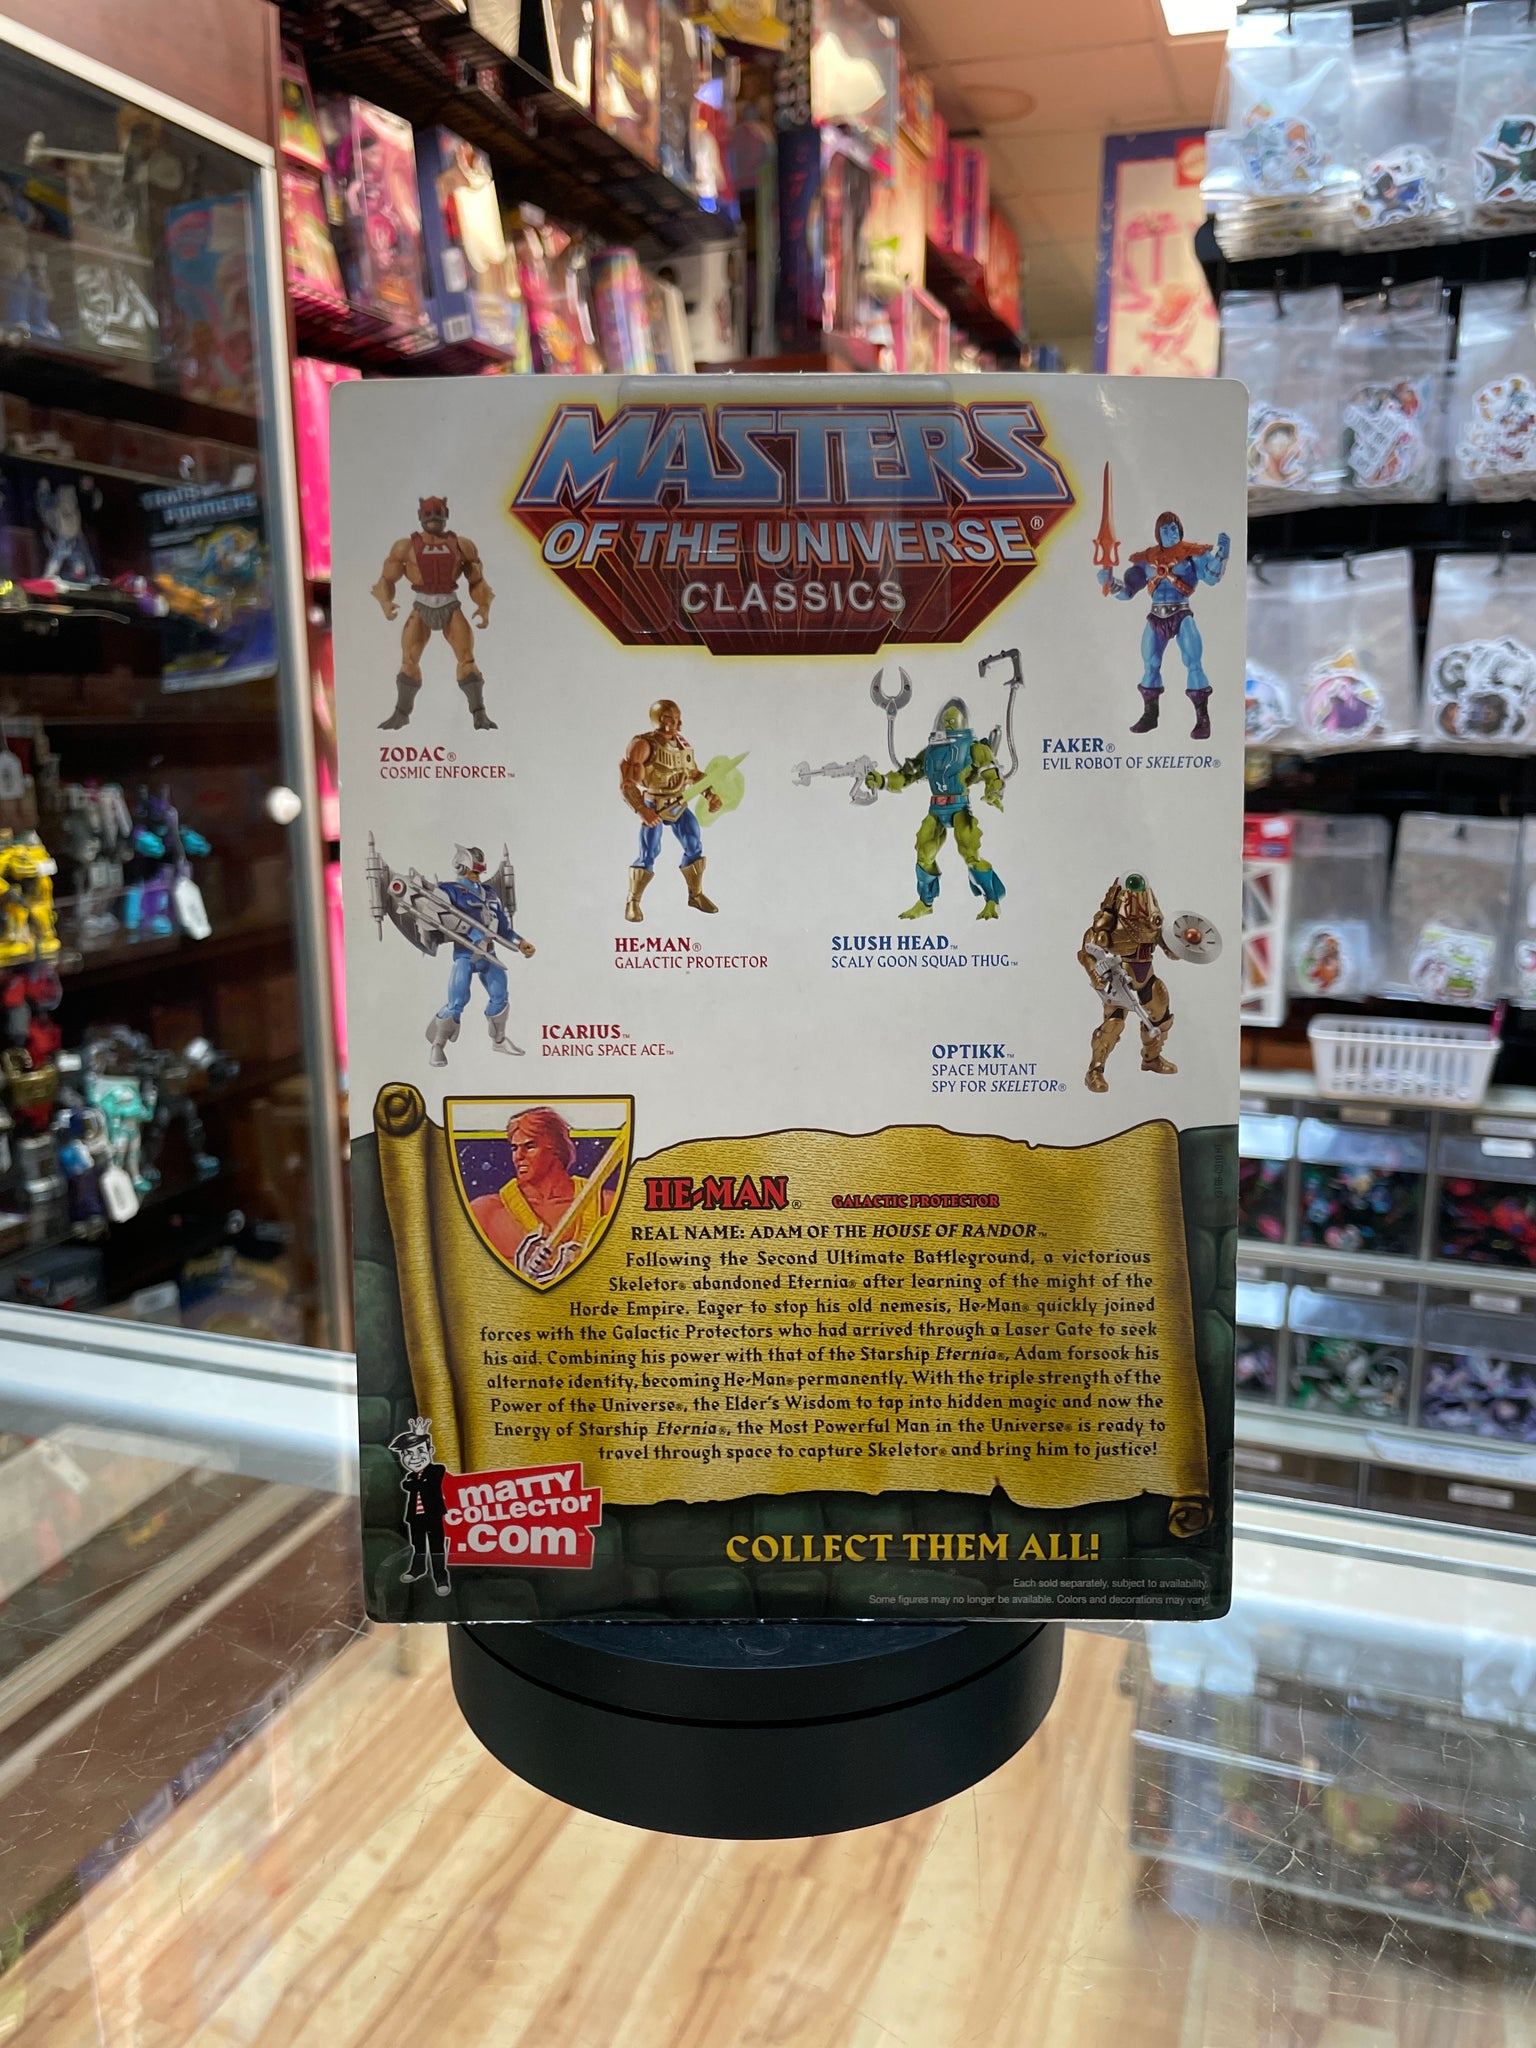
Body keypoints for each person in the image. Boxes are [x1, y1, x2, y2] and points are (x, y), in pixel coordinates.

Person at [864, 698, 1005, 920]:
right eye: (945, 720)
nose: (947, 724)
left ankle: (992, 900)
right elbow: (906, 776)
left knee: (970, 853)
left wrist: (993, 792)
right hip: (936, 809)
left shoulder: (974, 748)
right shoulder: (931, 751)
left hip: (959, 807)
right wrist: (881, 780)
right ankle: (925, 903)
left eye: (952, 720)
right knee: (924, 852)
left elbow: (991, 773)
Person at [1098, 510, 1229, 739]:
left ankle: (1202, 719)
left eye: (1174, 528)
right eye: (1166, 529)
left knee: (1193, 663)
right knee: (1151, 664)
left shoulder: (1192, 554)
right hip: (1156, 615)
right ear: (1158, 533)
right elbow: (1128, 592)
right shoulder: (1147, 559)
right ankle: (1150, 716)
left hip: (1182, 613)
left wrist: (1221, 556)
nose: (1171, 533)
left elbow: (1211, 578)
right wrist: (1110, 582)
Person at [372, 494, 496, 731]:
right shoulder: (405, 547)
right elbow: (386, 579)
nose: (433, 517)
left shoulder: (462, 545)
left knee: (467, 659)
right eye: (428, 513)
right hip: (422, 606)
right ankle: (401, 714)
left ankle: (479, 714)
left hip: (450, 605)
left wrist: (483, 605)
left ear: (446, 515)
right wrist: (386, 602)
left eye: (437, 513)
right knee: (409, 661)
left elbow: (477, 580)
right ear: (420, 515)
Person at [471, 1105, 616, 1281]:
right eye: (514, 1148)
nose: (518, 1156)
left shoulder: (607, 1205)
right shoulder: (485, 1212)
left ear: (556, 1149)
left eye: (529, 1146)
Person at [427, 845, 534, 1067]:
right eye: (473, 871)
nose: (477, 875)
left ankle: (499, 1040)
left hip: (488, 954)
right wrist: (470, 931)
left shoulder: (490, 894)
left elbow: (503, 928)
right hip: (465, 954)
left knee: (500, 995)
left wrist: (520, 943)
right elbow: (437, 917)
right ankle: (437, 1044)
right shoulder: (449, 891)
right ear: (461, 867)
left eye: (478, 871)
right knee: (457, 1000)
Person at [620, 699, 722, 922]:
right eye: (671, 719)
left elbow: (694, 775)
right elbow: (627, 783)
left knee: (694, 845)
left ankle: (695, 895)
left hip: (678, 804)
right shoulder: (643, 745)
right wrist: (642, 809)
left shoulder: (682, 745)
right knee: (648, 853)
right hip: (653, 806)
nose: (677, 723)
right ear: (659, 720)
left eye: (678, 718)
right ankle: (633, 901)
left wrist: (710, 795)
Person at [388, 1416, 450, 1596]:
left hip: (433, 1516)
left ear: (430, 1451)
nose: (415, 1458)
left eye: (421, 1451)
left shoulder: (437, 1470)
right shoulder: (410, 1477)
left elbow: (425, 1485)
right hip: (415, 1517)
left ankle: (441, 1578)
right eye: (408, 1453)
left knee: (437, 1547)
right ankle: (417, 1569)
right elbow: (409, 1485)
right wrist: (415, 1484)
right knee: (418, 1546)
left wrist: (422, 1435)